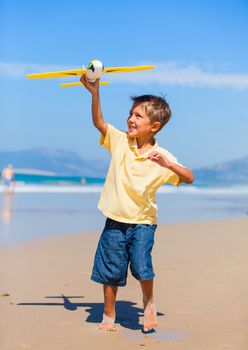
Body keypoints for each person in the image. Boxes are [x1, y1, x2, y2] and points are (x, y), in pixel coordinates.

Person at [80, 75, 194, 332]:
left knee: (142, 265)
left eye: (138, 116)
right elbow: (99, 123)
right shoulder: (121, 142)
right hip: (114, 219)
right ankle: (109, 314)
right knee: (109, 269)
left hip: (143, 223)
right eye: (130, 113)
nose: (131, 119)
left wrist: (169, 165)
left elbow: (189, 177)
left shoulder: (162, 156)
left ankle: (149, 301)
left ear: (154, 126)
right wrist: (94, 93)